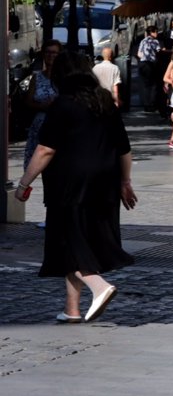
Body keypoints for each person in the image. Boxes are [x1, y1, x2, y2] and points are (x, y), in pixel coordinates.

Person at [14, 50, 137, 323]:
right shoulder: (105, 102)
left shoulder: (62, 105)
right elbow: (124, 149)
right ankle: (72, 309)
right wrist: (125, 182)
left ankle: (98, 285)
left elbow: (45, 149)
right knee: (83, 240)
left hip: (69, 183)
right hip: (105, 182)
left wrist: (24, 183)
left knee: (65, 240)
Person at [24, 39, 62, 171]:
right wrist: (43, 106)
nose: (51, 56)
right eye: (48, 52)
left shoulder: (65, 77)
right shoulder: (37, 77)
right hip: (39, 127)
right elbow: (28, 102)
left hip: (60, 128)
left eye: (54, 53)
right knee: (38, 168)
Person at [137, 25, 162, 113]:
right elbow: (159, 51)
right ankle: (152, 105)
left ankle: (146, 105)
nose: (157, 33)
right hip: (150, 64)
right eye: (155, 32)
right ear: (151, 33)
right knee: (153, 85)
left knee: (145, 85)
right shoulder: (155, 41)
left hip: (142, 63)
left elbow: (139, 54)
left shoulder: (143, 41)